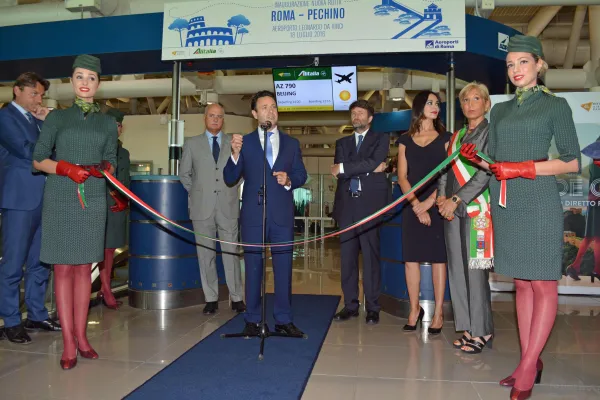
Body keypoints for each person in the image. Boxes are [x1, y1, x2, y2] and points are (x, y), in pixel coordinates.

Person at [460, 35, 580, 399]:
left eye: (523, 62)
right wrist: (478, 158)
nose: (515, 69)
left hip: (539, 200)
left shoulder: (555, 105)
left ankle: (528, 366)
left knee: (543, 283)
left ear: (540, 64)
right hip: (507, 203)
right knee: (522, 284)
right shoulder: (500, 110)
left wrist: (524, 168)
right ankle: (529, 358)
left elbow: (572, 162)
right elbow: (497, 164)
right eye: (510, 64)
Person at [32, 54, 118, 370]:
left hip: (92, 196)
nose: (85, 82)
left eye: (91, 78)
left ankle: (82, 337)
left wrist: (105, 168)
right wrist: (65, 168)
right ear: (71, 81)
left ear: (98, 84)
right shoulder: (57, 118)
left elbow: (112, 159)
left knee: (84, 269)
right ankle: (68, 341)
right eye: (79, 76)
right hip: (60, 195)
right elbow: (38, 159)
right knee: (63, 269)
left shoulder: (107, 122)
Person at [223, 90, 307, 336]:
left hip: (282, 215)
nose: (270, 111)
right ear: (254, 114)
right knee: (252, 268)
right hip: (253, 214)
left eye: (273, 107)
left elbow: (301, 174)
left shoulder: (291, 144)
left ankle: (283, 319)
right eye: (264, 107)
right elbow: (229, 177)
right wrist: (234, 154)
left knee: (284, 269)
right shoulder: (244, 142)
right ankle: (252, 319)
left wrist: (289, 179)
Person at [0, 72, 61, 344]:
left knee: (40, 262)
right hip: (19, 201)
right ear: (17, 90)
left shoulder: (36, 121)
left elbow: (54, 151)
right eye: (34, 93)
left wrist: (46, 124)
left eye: (41, 95)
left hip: (44, 199)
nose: (38, 99)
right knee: (13, 264)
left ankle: (37, 314)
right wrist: (48, 130)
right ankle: (11, 321)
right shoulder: (5, 118)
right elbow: (28, 151)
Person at [437, 82, 494, 353]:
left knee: (476, 271)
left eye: (476, 99)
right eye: (465, 100)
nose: (470, 104)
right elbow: (445, 169)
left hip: (476, 209)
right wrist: (441, 197)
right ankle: (468, 327)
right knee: (457, 271)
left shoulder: (491, 132)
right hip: (452, 209)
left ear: (486, 103)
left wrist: (456, 199)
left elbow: (486, 173)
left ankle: (483, 330)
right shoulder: (456, 136)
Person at [179, 103, 245, 315]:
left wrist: (231, 188)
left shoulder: (233, 142)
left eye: (219, 116)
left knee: (231, 254)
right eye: (212, 115)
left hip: (228, 206)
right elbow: (184, 174)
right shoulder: (191, 144)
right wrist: (198, 192)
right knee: (205, 255)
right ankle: (211, 298)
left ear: (223, 120)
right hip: (201, 208)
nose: (215, 119)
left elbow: (240, 172)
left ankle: (237, 297)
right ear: (204, 118)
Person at [330, 100, 389, 325]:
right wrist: (369, 168)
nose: (356, 117)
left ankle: (372, 307)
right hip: (347, 207)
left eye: (361, 113)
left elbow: (367, 162)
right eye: (353, 113)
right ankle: (350, 305)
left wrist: (347, 167)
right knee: (347, 260)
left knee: (371, 259)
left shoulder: (381, 138)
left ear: (370, 118)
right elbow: (340, 171)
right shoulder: (342, 142)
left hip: (370, 207)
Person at [397, 90, 450, 335]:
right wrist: (416, 206)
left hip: (438, 204)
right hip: (412, 205)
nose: (435, 106)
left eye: (437, 103)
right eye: (430, 103)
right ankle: (414, 309)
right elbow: (402, 177)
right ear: (419, 107)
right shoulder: (405, 140)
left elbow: (448, 176)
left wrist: (429, 203)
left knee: (439, 259)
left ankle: (438, 312)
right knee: (411, 260)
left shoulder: (447, 138)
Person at [96, 108, 130, 309]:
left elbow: (125, 179)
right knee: (101, 250)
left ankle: (104, 287)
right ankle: (106, 290)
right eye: (111, 125)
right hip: (102, 203)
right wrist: (114, 196)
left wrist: (124, 200)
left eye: (118, 125)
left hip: (119, 206)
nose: (115, 129)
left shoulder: (123, 153)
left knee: (110, 249)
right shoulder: (97, 150)